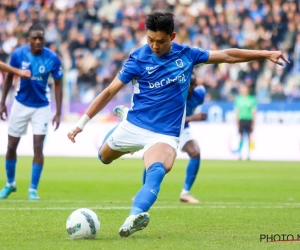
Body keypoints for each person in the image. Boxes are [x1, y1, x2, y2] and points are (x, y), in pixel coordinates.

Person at [67, 12, 289, 237]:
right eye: (150, 40)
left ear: (172, 36)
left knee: (157, 170)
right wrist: (81, 123)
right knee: (103, 157)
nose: (154, 45)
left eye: (161, 41)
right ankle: (125, 117)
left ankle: (134, 216)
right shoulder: (137, 58)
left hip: (164, 134)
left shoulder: (187, 55)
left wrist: (265, 53)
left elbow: (227, 55)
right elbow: (109, 92)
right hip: (134, 125)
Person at [113, 72, 207, 204]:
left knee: (195, 152)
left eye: (192, 85)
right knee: (154, 159)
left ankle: (185, 193)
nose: (189, 87)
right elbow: (169, 117)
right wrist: (193, 118)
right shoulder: (173, 95)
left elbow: (202, 88)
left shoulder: (200, 95)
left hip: (182, 129)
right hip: (165, 129)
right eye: (187, 84)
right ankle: (144, 192)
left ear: (195, 85)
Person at [0, 23, 63, 200]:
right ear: (28, 39)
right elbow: (8, 77)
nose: (37, 41)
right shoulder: (18, 54)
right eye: (34, 38)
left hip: (42, 107)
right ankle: (10, 184)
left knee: (37, 147)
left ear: (44, 39)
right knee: (11, 146)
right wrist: (3, 102)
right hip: (20, 104)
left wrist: (58, 111)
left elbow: (58, 84)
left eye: (40, 38)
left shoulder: (52, 58)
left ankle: (33, 189)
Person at [233, 85, 257, 160]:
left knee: (249, 137)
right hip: (241, 119)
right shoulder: (238, 99)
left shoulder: (252, 99)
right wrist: (236, 121)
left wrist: (253, 122)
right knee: (241, 137)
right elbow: (236, 111)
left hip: (249, 119)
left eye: (245, 89)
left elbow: (254, 111)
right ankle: (240, 154)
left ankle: (249, 154)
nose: (244, 90)